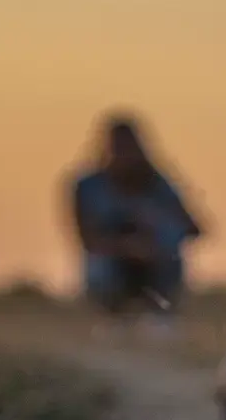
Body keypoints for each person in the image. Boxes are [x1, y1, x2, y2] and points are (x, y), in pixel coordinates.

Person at [70, 114, 203, 317]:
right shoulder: (89, 187)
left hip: (155, 262)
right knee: (100, 266)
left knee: (170, 239)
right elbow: (86, 239)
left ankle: (161, 313)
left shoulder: (157, 184)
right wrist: (127, 247)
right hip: (111, 264)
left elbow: (195, 228)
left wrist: (154, 229)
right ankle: (109, 313)